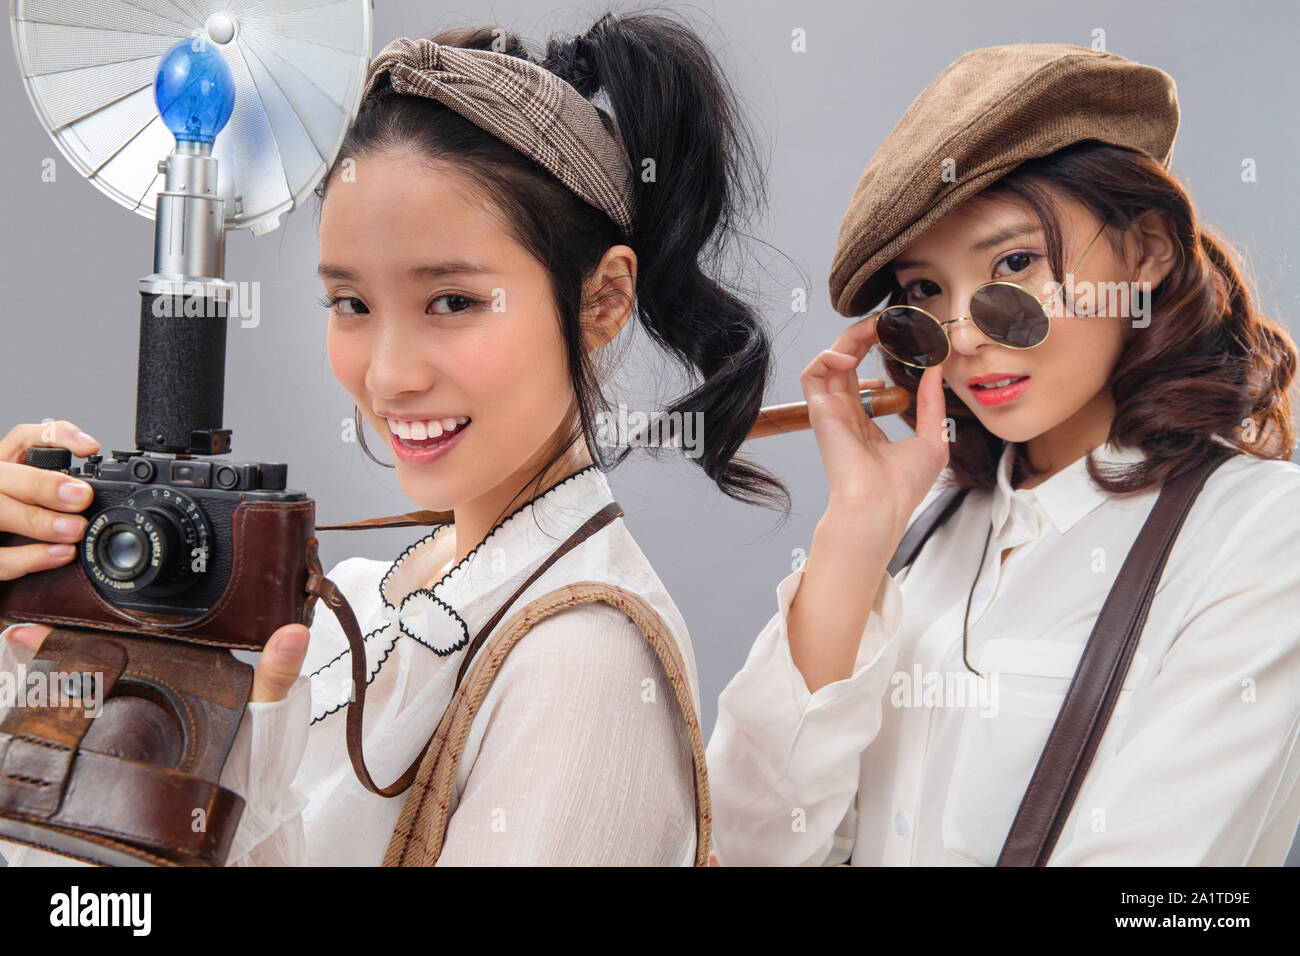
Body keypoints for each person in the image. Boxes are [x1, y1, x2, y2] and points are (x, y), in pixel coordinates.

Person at [0, 11, 787, 866]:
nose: (387, 376)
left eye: (451, 301)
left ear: (601, 300)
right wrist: (67, 659)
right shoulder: (364, 599)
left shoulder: (582, 659)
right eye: (352, 304)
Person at [706, 43, 1300, 866]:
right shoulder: (920, 531)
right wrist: (854, 534)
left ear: (1149, 249)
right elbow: (744, 848)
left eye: (1014, 265)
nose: (966, 338)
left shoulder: (1262, 537)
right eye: (922, 295)